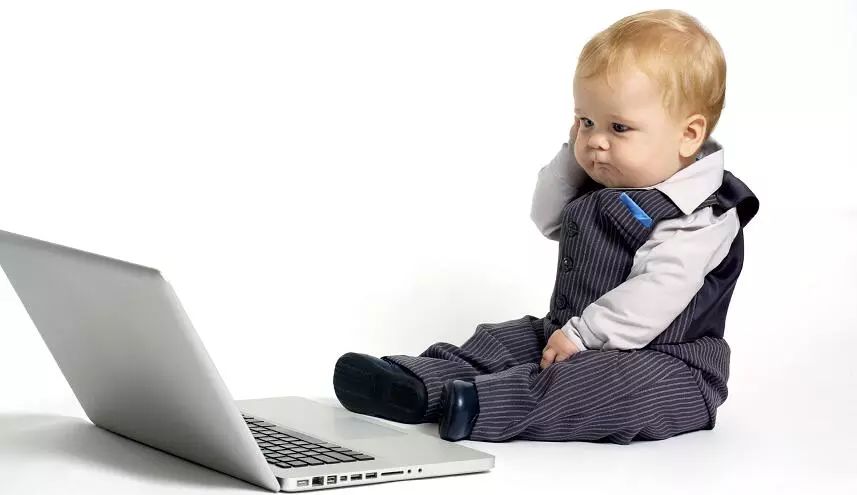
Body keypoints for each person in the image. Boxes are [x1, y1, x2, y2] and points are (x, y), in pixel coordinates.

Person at [332, 8, 759, 444]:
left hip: (669, 367)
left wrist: (584, 336)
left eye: (618, 127)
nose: (596, 140)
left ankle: (480, 406)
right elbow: (547, 218)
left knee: (598, 387)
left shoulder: (701, 214)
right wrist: (573, 155)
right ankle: (419, 385)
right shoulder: (606, 177)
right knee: (503, 341)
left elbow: (657, 291)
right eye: (586, 121)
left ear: (688, 135)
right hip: (570, 332)